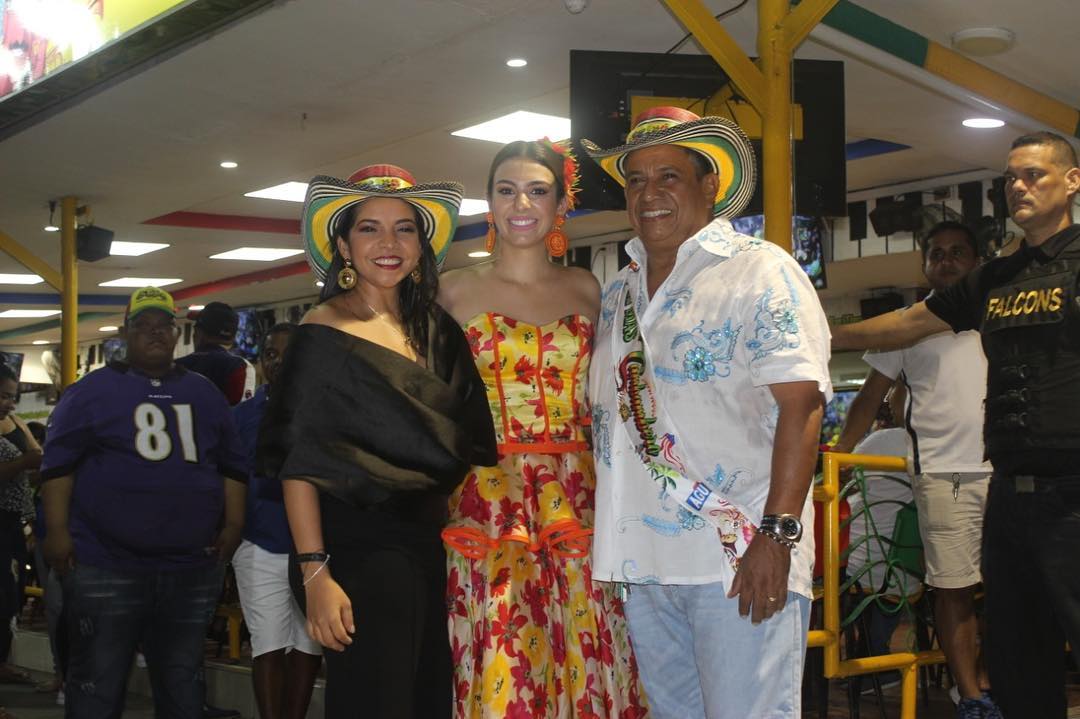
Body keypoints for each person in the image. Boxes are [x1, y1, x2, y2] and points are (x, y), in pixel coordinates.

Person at [581, 106, 831, 718]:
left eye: (668, 176)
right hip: (641, 563)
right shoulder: (618, 291)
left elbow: (802, 406)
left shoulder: (759, 271)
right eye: (635, 180)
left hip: (739, 556)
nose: (649, 194)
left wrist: (775, 536)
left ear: (709, 184)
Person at [831, 130, 1080, 719]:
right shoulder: (996, 278)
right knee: (1018, 654)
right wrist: (810, 329)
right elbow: (904, 325)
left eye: (1035, 175)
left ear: (1072, 181)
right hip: (1008, 493)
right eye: (1011, 178)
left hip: (1073, 490)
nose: (1019, 186)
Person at [258, 164, 497, 719]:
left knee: (427, 699)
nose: (388, 243)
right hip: (353, 549)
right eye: (369, 228)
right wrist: (315, 573)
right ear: (343, 245)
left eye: (404, 228)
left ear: (422, 244)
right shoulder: (323, 331)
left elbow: (469, 442)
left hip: (430, 544)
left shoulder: (438, 331)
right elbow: (298, 464)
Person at [439, 140, 648, 717]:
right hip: (489, 496)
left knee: (590, 643)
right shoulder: (451, 290)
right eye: (506, 191)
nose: (521, 204)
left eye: (537, 190)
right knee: (502, 645)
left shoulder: (589, 289)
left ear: (562, 204)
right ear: (488, 204)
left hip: (577, 496)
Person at [39, 286, 247, 719]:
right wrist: (57, 533)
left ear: (178, 334)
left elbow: (231, 465)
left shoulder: (204, 394)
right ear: (126, 333)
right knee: (97, 683)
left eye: (163, 326)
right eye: (143, 326)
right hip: (105, 563)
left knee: (183, 683)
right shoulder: (89, 392)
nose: (155, 334)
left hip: (188, 566)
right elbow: (58, 469)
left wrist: (233, 524)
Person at [832, 221, 996, 717]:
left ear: (976, 261)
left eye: (958, 252)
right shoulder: (904, 325)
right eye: (937, 253)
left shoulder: (1000, 312)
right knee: (953, 588)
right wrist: (838, 459)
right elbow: (866, 401)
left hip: (1008, 471)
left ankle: (988, 678)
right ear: (924, 264)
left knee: (1017, 588)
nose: (946, 261)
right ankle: (971, 697)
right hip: (942, 473)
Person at [231, 322, 322, 719]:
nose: (279, 362)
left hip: (315, 550)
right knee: (268, 643)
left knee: (309, 644)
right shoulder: (242, 417)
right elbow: (231, 480)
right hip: (260, 544)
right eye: (270, 354)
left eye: (289, 353)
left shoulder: (328, 412)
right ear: (262, 361)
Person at [0, 364, 40, 688]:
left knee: (11, 594)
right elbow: (28, 460)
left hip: (16, 520)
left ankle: (2, 660)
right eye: (3, 396)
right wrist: (23, 464)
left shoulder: (14, 422)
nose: (9, 403)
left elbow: (36, 454)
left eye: (12, 397)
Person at [177, 301, 256, 406]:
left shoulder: (175, 366)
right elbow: (243, 413)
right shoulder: (240, 367)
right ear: (233, 337)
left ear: (199, 333)